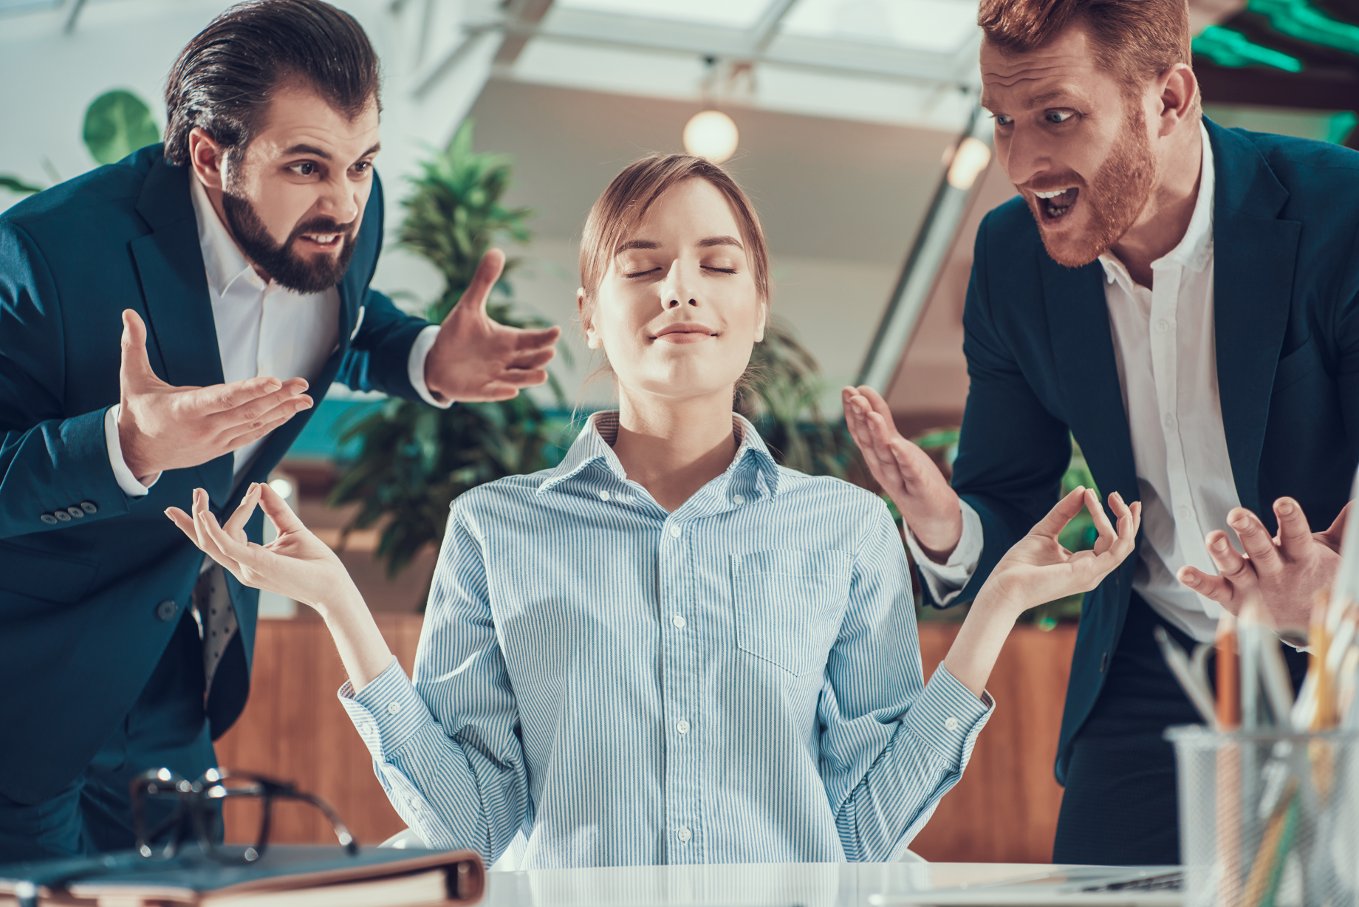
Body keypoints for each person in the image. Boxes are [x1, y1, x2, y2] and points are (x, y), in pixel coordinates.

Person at [169, 153, 1140, 868]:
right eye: (642, 267)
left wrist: (997, 605)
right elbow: (469, 830)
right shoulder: (494, 529)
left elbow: (858, 830)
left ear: (759, 305)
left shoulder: (844, 531)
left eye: (718, 266)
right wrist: (344, 607)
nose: (680, 288)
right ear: (592, 312)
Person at [0, 0, 559, 861]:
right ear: (208, 155)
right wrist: (124, 448)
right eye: (307, 167)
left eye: (363, 163)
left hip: (175, 682)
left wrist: (418, 358)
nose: (343, 201)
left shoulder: (339, 220)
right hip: (28, 683)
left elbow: (338, 313)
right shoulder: (45, 256)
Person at [843, 0, 1359, 866]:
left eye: (1056, 116)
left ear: (1169, 98)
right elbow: (1007, 496)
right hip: (1151, 661)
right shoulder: (1012, 260)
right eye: (1002, 121)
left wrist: (1337, 600)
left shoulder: (1339, 211)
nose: (1021, 162)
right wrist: (942, 522)